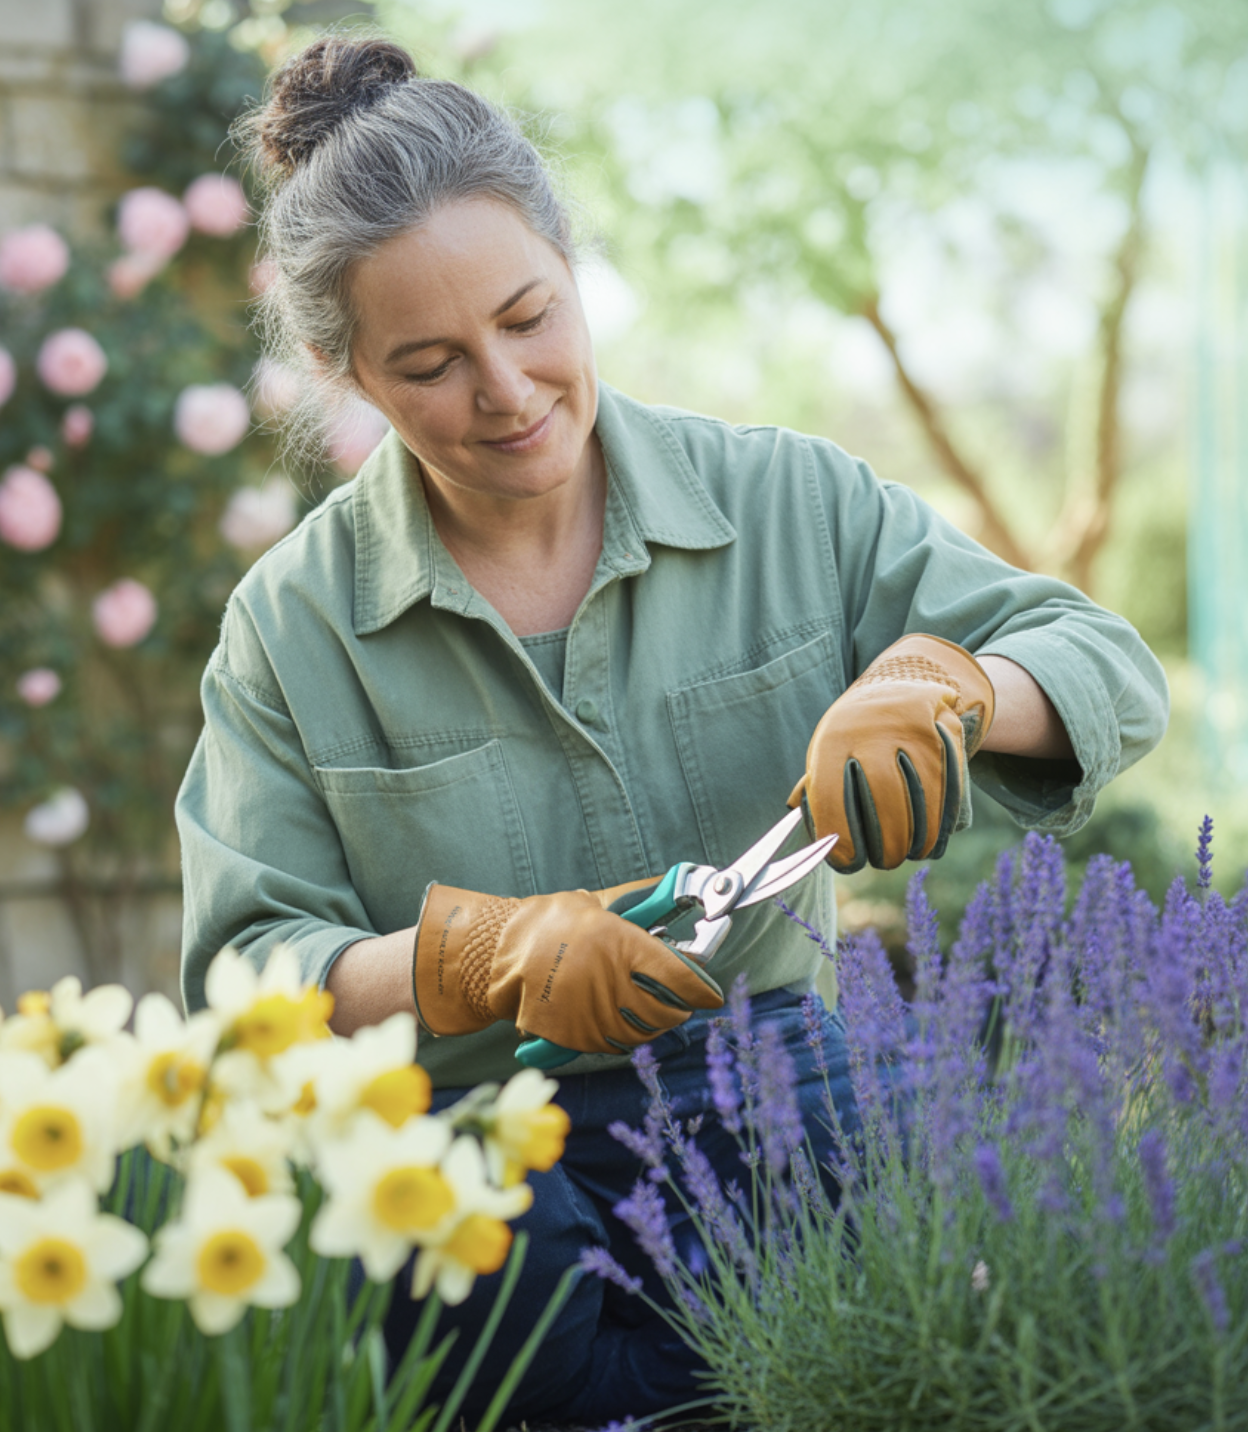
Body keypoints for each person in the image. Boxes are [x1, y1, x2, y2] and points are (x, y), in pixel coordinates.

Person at [175, 33, 1169, 1426]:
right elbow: (244, 977)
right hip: (478, 1197)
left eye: (528, 319)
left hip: (783, 1118)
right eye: (431, 364)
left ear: (573, 270)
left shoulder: (789, 504)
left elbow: (1101, 661)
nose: (507, 391)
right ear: (351, 377)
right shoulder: (291, 629)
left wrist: (947, 687)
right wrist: (475, 956)